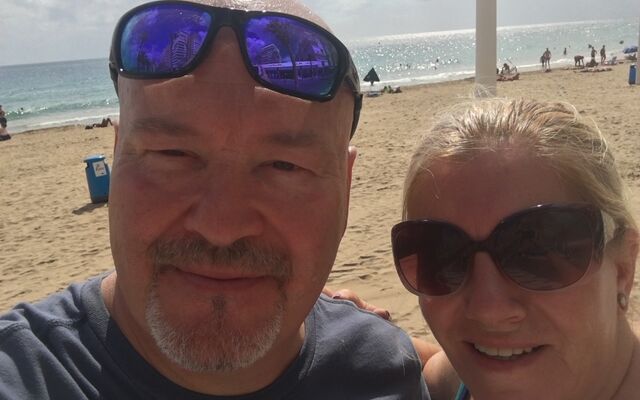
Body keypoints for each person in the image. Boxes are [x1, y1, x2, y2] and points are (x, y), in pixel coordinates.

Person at [0, 1, 430, 398]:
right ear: (116, 157)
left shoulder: (387, 373)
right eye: (173, 154)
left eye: (284, 165)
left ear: (347, 186)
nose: (221, 226)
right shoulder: (23, 374)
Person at [391, 98, 640, 400]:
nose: (488, 311)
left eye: (534, 252)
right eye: (443, 256)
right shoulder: (450, 382)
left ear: (624, 266)